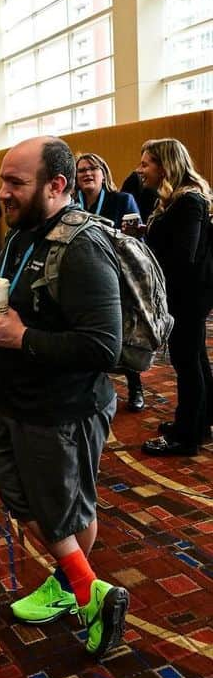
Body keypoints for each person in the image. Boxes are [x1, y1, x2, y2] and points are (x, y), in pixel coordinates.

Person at [0, 136, 128, 660]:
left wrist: (20, 341)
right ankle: (73, 583)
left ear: (56, 186)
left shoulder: (81, 247)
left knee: (62, 513)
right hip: (22, 399)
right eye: (3, 180)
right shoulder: (22, 234)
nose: (3, 193)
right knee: (31, 501)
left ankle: (88, 594)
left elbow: (105, 346)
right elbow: (21, 312)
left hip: (64, 409)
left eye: (16, 183)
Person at [138, 138, 213, 457]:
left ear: (165, 166)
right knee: (195, 357)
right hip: (187, 292)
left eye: (146, 164)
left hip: (188, 294)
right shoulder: (176, 199)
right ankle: (202, 420)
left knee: (186, 361)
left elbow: (185, 256)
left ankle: (186, 436)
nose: (140, 170)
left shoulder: (189, 201)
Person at [74, 152, 144, 411]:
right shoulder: (71, 205)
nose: (88, 174)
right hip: (81, 281)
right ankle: (92, 388)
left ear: (104, 174)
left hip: (118, 279)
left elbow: (139, 245)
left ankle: (135, 385)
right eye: (82, 170)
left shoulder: (122, 200)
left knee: (124, 335)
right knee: (86, 336)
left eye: (93, 168)